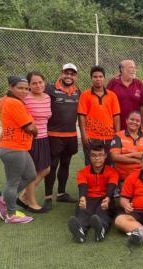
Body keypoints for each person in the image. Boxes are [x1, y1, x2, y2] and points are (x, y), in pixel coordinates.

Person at [0, 75, 37, 224]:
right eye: (20, 88)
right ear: (11, 87)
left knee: (30, 175)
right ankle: (11, 214)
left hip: (18, 147)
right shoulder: (14, 103)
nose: (24, 91)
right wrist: (35, 130)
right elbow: (29, 127)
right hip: (13, 148)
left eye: (26, 88)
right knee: (13, 181)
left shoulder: (10, 101)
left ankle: (4, 199)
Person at [44, 63, 80, 208]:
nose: (69, 76)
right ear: (61, 73)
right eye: (67, 73)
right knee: (52, 166)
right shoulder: (49, 89)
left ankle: (61, 194)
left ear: (76, 76)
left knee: (66, 164)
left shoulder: (78, 91)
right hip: (54, 135)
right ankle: (47, 197)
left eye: (72, 74)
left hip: (71, 135)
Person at [68, 143, 118, 243]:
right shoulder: (83, 172)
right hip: (89, 198)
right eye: (94, 155)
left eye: (100, 155)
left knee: (102, 213)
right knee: (83, 212)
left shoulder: (112, 172)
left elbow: (111, 187)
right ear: (89, 157)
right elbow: (82, 187)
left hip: (104, 199)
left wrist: (107, 199)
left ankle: (101, 229)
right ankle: (80, 231)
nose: (97, 158)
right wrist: (82, 198)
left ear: (105, 156)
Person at [19, 71, 51, 213]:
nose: (38, 85)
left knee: (45, 169)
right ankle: (31, 202)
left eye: (40, 82)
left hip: (44, 138)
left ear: (44, 82)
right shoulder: (25, 99)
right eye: (34, 83)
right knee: (32, 172)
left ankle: (23, 196)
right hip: (31, 140)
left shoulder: (47, 97)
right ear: (29, 85)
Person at [77, 65, 121, 165]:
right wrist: (84, 135)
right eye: (95, 77)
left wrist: (117, 135)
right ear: (91, 79)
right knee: (91, 165)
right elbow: (81, 116)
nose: (98, 79)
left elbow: (116, 116)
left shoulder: (112, 95)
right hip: (91, 138)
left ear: (104, 78)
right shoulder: (85, 95)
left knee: (109, 165)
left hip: (109, 137)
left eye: (100, 77)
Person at [110, 111, 143, 181]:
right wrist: (137, 161)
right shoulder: (118, 135)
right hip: (123, 178)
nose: (134, 122)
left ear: (140, 123)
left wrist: (129, 155)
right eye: (132, 119)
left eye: (137, 121)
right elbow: (115, 157)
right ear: (126, 121)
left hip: (142, 178)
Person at [107, 59, 143, 130]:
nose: (134, 70)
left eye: (134, 68)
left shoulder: (138, 84)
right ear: (122, 69)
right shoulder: (113, 83)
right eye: (131, 67)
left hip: (134, 127)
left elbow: (142, 105)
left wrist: (142, 125)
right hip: (115, 126)